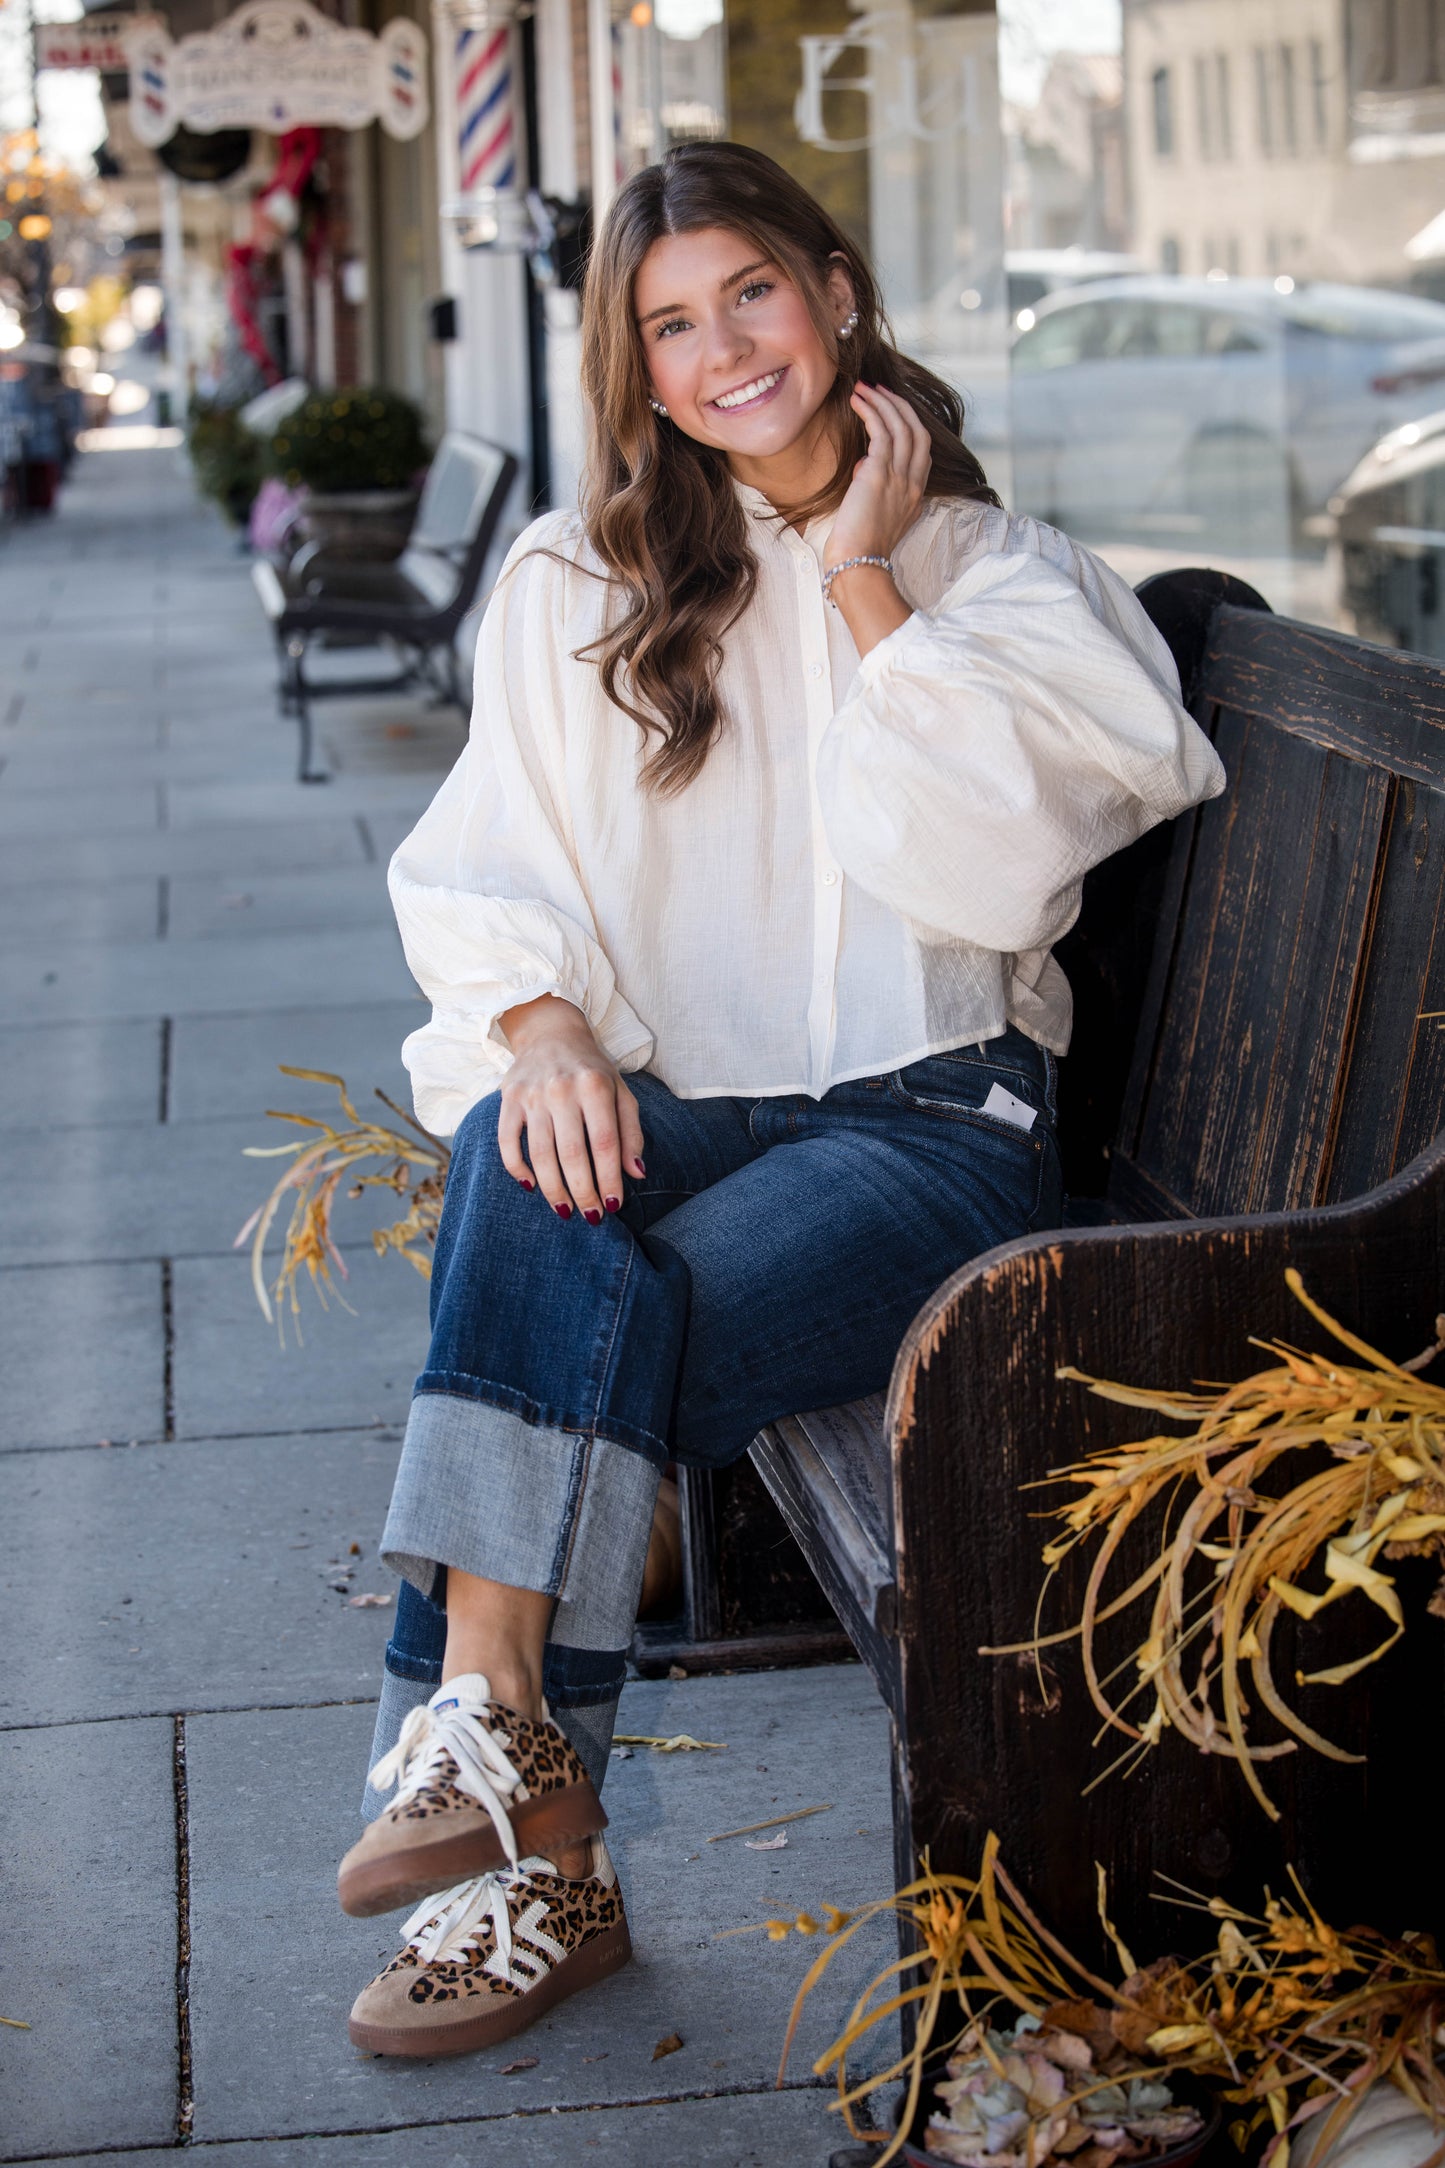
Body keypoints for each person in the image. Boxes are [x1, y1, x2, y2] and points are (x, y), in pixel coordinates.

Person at [336, 141, 1225, 2059]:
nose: (723, 346)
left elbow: (991, 873)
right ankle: (508, 1757)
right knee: (519, 1143)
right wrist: (544, 1028)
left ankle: (517, 1829)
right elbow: (486, 868)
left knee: (576, 1319)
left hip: (933, 1136)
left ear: (833, 294)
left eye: (751, 291)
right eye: (672, 322)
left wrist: (860, 582)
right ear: (637, 370)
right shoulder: (583, 582)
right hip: (680, 1114)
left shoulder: (1002, 575)